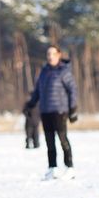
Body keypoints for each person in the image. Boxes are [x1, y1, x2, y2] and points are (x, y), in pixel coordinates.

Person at [24, 45, 78, 180]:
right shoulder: (44, 71)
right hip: (45, 110)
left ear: (59, 55)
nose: (50, 56)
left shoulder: (64, 71)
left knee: (62, 139)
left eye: (53, 54)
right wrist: (30, 104)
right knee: (49, 141)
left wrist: (72, 109)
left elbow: (73, 90)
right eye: (48, 54)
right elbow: (38, 91)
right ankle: (52, 168)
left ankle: (69, 167)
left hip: (60, 111)